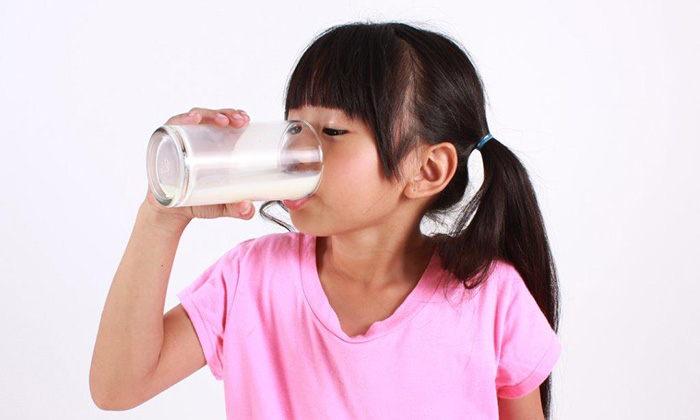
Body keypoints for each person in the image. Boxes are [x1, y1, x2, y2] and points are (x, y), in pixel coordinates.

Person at [90, 21, 562, 420]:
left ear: (426, 170)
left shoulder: (488, 297)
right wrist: (160, 217)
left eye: (333, 131)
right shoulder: (250, 279)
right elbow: (118, 387)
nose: (298, 150)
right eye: (294, 126)